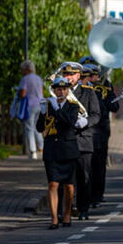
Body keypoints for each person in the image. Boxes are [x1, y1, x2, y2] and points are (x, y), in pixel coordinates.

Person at [37, 77, 83, 229]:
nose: (61, 91)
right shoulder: (49, 105)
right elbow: (39, 127)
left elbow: (69, 122)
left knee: (69, 186)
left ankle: (67, 215)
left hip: (68, 150)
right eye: (58, 89)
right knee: (53, 184)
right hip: (51, 149)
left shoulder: (73, 106)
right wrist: (43, 113)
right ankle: (54, 218)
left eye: (64, 89)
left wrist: (57, 109)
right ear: (54, 90)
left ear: (67, 90)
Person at [59, 62, 100, 220]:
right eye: (65, 75)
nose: (68, 78)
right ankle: (65, 210)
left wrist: (86, 122)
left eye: (71, 75)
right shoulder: (60, 92)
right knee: (65, 177)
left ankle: (83, 208)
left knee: (84, 177)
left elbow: (96, 114)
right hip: (65, 140)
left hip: (83, 140)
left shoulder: (88, 93)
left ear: (78, 76)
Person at [84, 61, 119, 207]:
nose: (94, 78)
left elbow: (115, 106)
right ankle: (87, 195)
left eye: (96, 75)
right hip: (86, 130)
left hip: (102, 130)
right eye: (91, 75)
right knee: (87, 165)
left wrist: (104, 98)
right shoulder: (83, 87)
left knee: (99, 164)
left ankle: (98, 195)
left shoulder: (106, 85)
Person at [18, 60, 44, 160]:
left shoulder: (25, 79)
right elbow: (41, 91)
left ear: (26, 69)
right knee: (38, 127)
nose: (22, 71)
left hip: (30, 105)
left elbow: (23, 93)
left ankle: (33, 151)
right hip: (39, 104)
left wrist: (19, 94)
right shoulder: (39, 78)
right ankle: (41, 148)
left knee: (29, 128)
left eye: (23, 69)